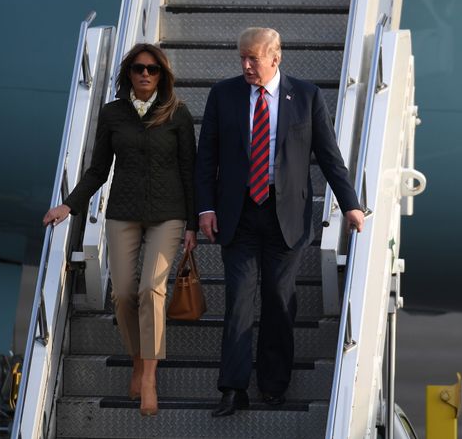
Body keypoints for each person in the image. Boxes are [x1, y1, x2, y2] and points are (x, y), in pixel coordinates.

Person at [195, 27, 364, 417]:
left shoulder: (305, 96)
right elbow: (207, 157)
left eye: (253, 58)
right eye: (242, 58)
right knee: (238, 300)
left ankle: (273, 384)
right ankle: (233, 388)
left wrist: (351, 204)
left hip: (285, 216)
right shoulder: (224, 94)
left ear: (276, 57)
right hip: (238, 215)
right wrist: (205, 208)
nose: (246, 66)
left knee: (278, 301)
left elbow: (328, 155)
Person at [42, 43, 197, 416]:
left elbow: (190, 172)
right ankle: (136, 357)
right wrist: (69, 205)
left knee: (151, 289)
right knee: (124, 294)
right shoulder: (113, 114)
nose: (145, 74)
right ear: (128, 73)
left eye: (153, 69)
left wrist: (192, 223)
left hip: (168, 213)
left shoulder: (177, 113)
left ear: (163, 75)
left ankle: (148, 376)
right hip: (123, 212)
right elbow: (98, 170)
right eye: (139, 68)